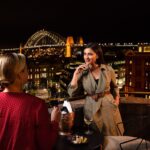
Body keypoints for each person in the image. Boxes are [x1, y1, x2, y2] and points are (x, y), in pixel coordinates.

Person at [0, 53, 60, 150]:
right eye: (26, 69)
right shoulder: (37, 105)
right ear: (19, 74)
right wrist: (55, 122)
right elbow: (46, 145)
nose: (29, 72)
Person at [68, 42, 124, 136]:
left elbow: (115, 87)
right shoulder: (82, 72)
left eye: (90, 54)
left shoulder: (108, 69)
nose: (86, 57)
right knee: (94, 135)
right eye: (85, 54)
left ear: (97, 56)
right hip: (91, 106)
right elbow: (72, 94)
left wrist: (117, 100)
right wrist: (75, 75)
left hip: (108, 105)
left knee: (112, 133)